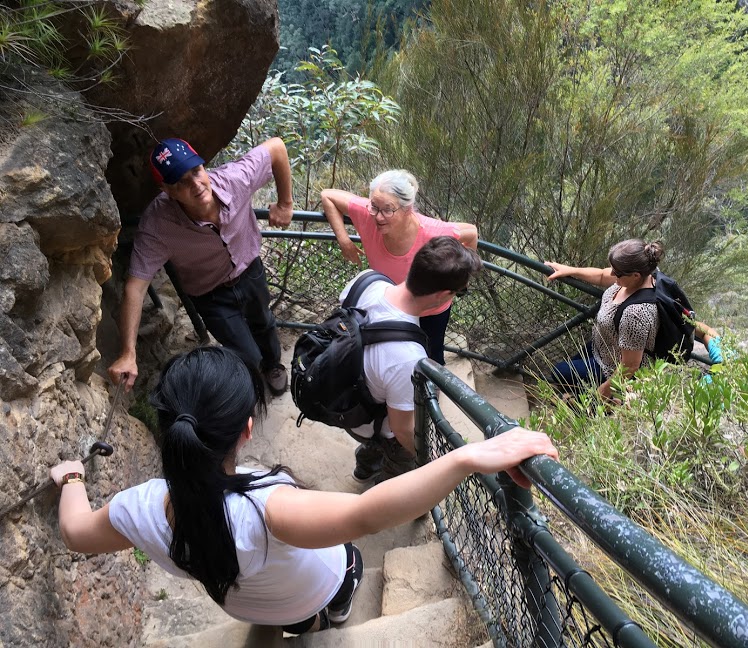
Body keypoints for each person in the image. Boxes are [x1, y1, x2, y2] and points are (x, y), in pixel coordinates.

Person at [49, 346, 557, 634]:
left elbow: (74, 530)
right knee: (350, 562)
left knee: (302, 609)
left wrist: (72, 477)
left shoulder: (138, 509)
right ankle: (332, 612)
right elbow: (366, 515)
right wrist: (466, 456)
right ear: (247, 429)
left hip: (246, 609)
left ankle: (313, 622)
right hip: (309, 591)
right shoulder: (268, 509)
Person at [108, 137, 294, 396]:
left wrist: (285, 204)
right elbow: (136, 288)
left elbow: (276, 147)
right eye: (182, 182)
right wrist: (128, 353)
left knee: (264, 322)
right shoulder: (157, 226)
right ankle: (251, 385)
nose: (196, 185)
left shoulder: (234, 180)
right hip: (210, 295)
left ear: (203, 167)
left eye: (196, 171)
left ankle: (273, 366)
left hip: (249, 270)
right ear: (167, 190)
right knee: (244, 353)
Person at [342, 236, 483, 484]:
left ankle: (364, 467)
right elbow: (402, 430)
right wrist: (430, 456)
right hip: (372, 423)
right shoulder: (407, 358)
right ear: (443, 295)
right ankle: (385, 494)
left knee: (376, 434)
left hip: (346, 397)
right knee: (400, 460)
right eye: (459, 293)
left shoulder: (366, 281)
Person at [321, 170, 479, 364]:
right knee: (389, 352)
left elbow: (471, 233)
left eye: (388, 210)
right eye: (374, 207)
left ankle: (430, 389)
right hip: (390, 302)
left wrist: (460, 282)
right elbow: (327, 196)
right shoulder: (367, 214)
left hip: (429, 310)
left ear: (407, 208)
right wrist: (344, 240)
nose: (378, 217)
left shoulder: (434, 232)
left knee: (431, 354)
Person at [544, 239, 666, 401]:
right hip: (604, 344)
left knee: (559, 372)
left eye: (617, 272)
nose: (612, 274)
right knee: (568, 369)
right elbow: (602, 275)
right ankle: (579, 393)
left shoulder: (636, 313)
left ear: (636, 275)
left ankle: (609, 400)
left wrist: (602, 394)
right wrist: (570, 270)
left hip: (612, 364)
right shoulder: (644, 273)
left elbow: (630, 366)